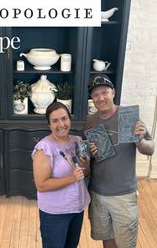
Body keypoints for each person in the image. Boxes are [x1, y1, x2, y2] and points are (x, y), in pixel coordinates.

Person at [85, 74, 155, 248]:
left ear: (113, 93)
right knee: (107, 239)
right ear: (92, 99)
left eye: (105, 92)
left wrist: (139, 140)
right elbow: (88, 155)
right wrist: (89, 153)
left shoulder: (128, 117)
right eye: (95, 95)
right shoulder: (90, 122)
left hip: (123, 194)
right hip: (98, 193)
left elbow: (150, 148)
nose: (100, 98)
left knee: (126, 243)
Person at [32, 101, 90, 248]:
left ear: (69, 119)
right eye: (55, 120)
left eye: (64, 118)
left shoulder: (77, 141)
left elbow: (85, 173)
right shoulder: (44, 148)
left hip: (77, 208)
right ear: (49, 125)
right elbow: (41, 185)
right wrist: (71, 178)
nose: (61, 124)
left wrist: (86, 165)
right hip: (55, 214)